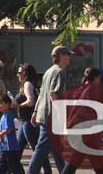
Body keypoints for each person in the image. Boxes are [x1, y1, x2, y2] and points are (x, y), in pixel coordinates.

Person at [27, 46, 71, 174]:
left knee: (57, 149)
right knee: (41, 149)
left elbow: (41, 94)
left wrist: (35, 112)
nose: (69, 57)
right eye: (68, 54)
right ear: (61, 56)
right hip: (51, 117)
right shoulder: (59, 72)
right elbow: (53, 94)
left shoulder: (48, 71)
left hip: (43, 114)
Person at [59, 68, 103, 174]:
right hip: (86, 129)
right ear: (97, 77)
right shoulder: (92, 89)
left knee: (92, 159)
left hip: (80, 128)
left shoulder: (81, 88)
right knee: (79, 158)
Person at [15, 64, 42, 167]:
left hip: (28, 121)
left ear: (26, 74)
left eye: (20, 72)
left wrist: (18, 105)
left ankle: (47, 170)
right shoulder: (29, 84)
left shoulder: (27, 84)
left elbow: (31, 101)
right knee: (18, 149)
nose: (18, 75)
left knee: (37, 149)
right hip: (24, 121)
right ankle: (15, 170)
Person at [0, 94, 22, 174]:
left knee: (14, 167)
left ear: (8, 104)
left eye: (1, 103)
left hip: (10, 147)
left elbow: (9, 129)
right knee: (2, 165)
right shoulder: (3, 116)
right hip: (4, 147)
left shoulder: (8, 115)